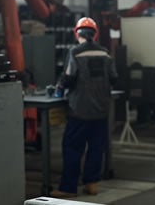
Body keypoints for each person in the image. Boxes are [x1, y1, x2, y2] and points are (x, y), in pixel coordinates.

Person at [51, 17, 118, 198]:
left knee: (72, 148)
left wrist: (58, 88)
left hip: (79, 111)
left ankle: (68, 187)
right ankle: (92, 184)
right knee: (96, 148)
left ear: (77, 33)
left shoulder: (75, 52)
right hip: (101, 111)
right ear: (94, 34)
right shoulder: (105, 53)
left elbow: (69, 77)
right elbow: (114, 78)